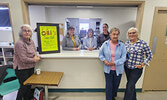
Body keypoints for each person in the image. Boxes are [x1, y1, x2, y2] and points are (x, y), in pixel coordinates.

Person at [124, 27, 152, 100]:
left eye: (134, 33)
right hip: (127, 67)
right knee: (131, 85)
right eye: (130, 33)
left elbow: (150, 55)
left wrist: (143, 64)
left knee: (129, 85)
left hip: (136, 69)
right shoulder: (126, 43)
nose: (132, 34)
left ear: (137, 34)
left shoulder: (142, 43)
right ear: (128, 35)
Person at [13, 24, 41, 100]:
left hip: (30, 67)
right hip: (21, 68)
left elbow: (34, 51)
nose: (27, 32)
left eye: (29, 31)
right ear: (21, 32)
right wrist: (35, 59)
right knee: (24, 86)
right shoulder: (19, 43)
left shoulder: (31, 41)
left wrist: (36, 56)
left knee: (29, 86)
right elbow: (23, 59)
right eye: (24, 31)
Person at [99, 27, 127, 100]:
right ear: (110, 35)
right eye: (113, 34)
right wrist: (104, 60)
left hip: (118, 70)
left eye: (117, 34)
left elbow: (124, 58)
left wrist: (114, 63)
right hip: (108, 70)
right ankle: (109, 98)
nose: (115, 36)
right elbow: (100, 54)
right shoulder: (105, 44)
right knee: (109, 86)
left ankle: (112, 96)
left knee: (116, 85)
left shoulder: (122, 45)